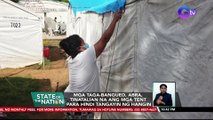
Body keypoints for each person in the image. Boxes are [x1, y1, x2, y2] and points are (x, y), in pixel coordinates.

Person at [59, 11, 123, 119]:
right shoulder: (85, 56)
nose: (87, 45)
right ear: (80, 48)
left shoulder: (72, 59)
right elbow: (104, 39)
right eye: (84, 43)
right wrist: (115, 19)